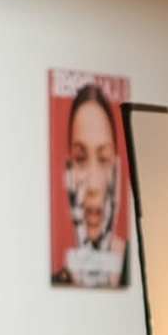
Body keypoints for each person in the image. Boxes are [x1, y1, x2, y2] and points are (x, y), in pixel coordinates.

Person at [59, 83, 129, 289]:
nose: (93, 186)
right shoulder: (60, 279)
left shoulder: (146, 266)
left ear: (117, 171)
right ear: (68, 173)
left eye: (104, 158)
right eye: (80, 158)